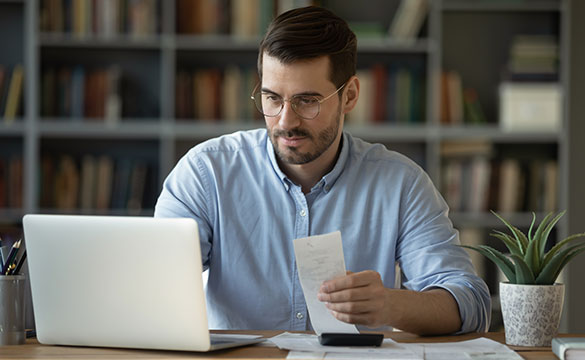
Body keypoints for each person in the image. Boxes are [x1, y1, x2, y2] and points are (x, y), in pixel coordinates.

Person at [155, 6, 491, 335]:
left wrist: (392, 305)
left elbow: (472, 304)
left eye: (307, 101)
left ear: (350, 96)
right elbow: (152, 283)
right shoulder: (206, 172)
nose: (285, 121)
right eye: (272, 99)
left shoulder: (401, 183)